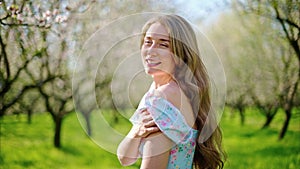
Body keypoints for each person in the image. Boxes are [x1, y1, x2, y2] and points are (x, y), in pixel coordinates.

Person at [117, 14, 225, 169]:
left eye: (163, 45)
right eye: (148, 42)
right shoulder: (162, 91)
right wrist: (136, 131)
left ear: (180, 53)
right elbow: (125, 158)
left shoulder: (163, 98)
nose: (151, 51)